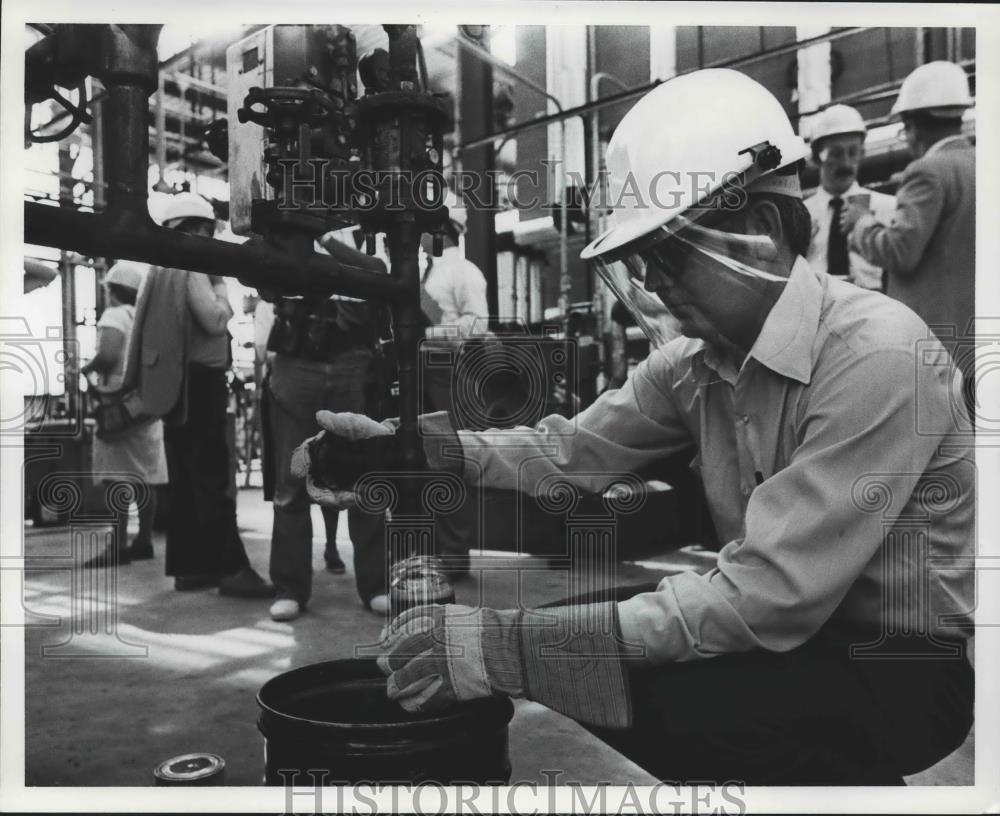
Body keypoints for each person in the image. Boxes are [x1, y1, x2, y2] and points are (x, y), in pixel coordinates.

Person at [295, 69, 974, 785]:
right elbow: (572, 452)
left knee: (647, 688)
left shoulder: (877, 355)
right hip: (797, 632)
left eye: (671, 253)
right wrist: (412, 453)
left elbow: (768, 597)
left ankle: (843, 789)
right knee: (586, 649)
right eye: (642, 261)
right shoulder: (695, 361)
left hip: (901, 661)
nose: (654, 281)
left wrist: (503, 648)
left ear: (763, 231)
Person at [142, 192, 273, 596]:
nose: (209, 236)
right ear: (195, 229)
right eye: (206, 228)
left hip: (174, 385)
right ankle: (233, 569)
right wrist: (223, 294)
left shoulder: (159, 266)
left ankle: (191, 568)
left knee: (185, 478)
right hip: (201, 382)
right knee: (214, 477)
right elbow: (214, 320)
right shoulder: (191, 264)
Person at [264, 230, 391, 623]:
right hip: (298, 363)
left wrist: (325, 239)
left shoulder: (359, 240)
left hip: (351, 363)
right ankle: (290, 587)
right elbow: (265, 282)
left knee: (362, 478)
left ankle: (376, 585)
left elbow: (377, 271)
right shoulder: (284, 240)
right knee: (291, 483)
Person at [840, 61, 975, 418]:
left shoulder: (927, 171)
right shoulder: (981, 165)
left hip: (933, 346)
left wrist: (860, 223)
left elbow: (901, 251)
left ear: (912, 126)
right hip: (975, 343)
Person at [416, 193, 490, 579]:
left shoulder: (462, 272)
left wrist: (428, 331)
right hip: (412, 371)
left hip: (445, 370)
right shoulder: (415, 267)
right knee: (415, 463)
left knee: (447, 464)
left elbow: (478, 323)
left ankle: (454, 556)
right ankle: (423, 551)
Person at [81, 261, 168, 567]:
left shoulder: (115, 315)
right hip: (145, 407)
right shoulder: (147, 319)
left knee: (116, 479)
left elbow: (107, 356)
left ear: (112, 290)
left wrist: (84, 369)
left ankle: (117, 545)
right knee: (146, 476)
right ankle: (143, 541)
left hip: (117, 408)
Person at [803, 104, 895, 289]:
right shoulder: (801, 215)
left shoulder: (889, 209)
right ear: (815, 157)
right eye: (835, 154)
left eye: (853, 152)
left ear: (863, 153)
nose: (845, 163)